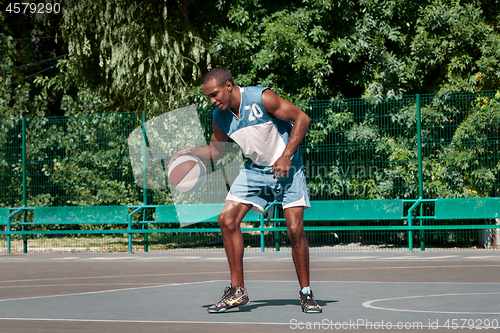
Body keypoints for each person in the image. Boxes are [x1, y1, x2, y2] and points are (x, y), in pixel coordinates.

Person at [169, 68, 321, 314]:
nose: (212, 100)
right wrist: (189, 152)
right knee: (227, 220)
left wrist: (286, 156)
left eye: (214, 94)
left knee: (294, 230)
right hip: (255, 172)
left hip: (287, 167)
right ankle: (237, 291)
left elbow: (302, 118)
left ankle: (306, 292)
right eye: (208, 96)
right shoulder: (220, 117)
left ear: (228, 85)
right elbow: (215, 152)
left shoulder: (262, 98)